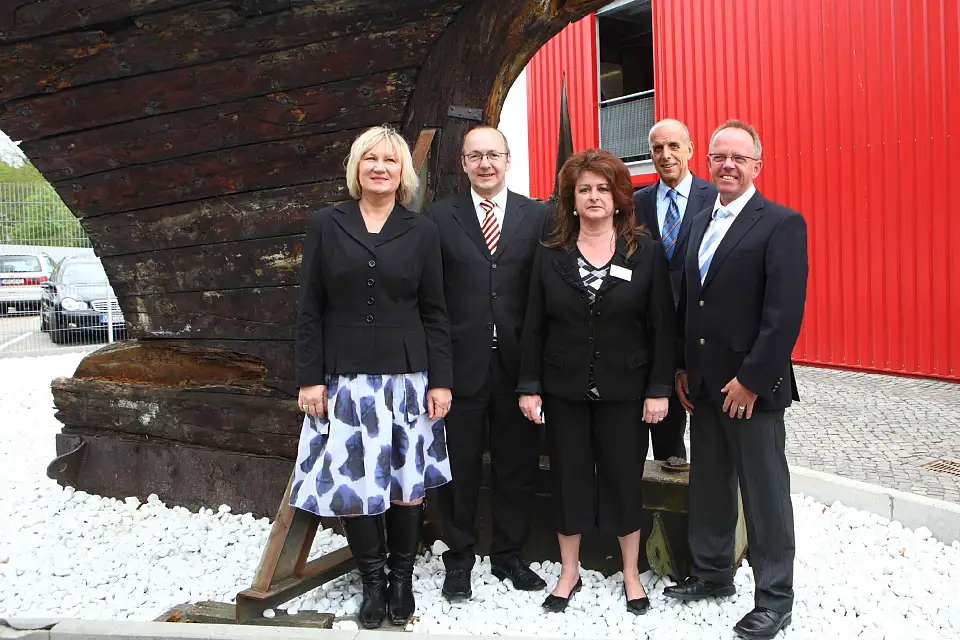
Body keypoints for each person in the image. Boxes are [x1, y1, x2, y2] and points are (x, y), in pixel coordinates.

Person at [292, 125, 454, 629]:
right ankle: (373, 581)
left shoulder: (422, 229)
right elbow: (309, 308)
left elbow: (435, 311)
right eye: (370, 160)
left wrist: (441, 380)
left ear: (403, 171)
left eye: (389, 160)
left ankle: (402, 580)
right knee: (353, 480)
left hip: (407, 378)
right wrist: (310, 379)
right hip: (347, 379)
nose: (380, 168)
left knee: (407, 481)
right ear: (356, 169)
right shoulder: (326, 223)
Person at [664, 120, 808, 640]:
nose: (727, 165)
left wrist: (751, 380)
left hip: (751, 389)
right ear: (707, 163)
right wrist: (683, 366)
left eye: (738, 158)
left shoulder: (781, 223)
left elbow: (784, 314)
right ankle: (711, 573)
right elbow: (690, 303)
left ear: (756, 166)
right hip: (703, 385)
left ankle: (775, 599)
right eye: (719, 156)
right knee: (710, 485)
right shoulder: (700, 220)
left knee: (765, 493)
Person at [516, 149, 675, 615]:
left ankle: (630, 573)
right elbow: (533, 325)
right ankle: (570, 573)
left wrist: (658, 389)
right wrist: (529, 385)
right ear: (570, 199)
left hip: (626, 393)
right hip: (563, 391)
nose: (593, 197)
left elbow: (661, 326)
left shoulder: (645, 252)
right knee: (568, 481)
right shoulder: (550, 256)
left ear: (620, 197)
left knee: (624, 479)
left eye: (603, 188)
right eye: (584, 189)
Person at [424, 125, 551, 600]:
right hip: (460, 366)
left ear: (508, 159)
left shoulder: (537, 216)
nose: (485, 164)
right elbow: (430, 299)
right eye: (475, 156)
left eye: (493, 155)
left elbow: (544, 294)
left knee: (516, 465)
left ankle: (509, 556)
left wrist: (538, 372)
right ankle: (458, 558)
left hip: (518, 366)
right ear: (463, 163)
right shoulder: (438, 218)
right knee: (459, 466)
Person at [633, 118, 718, 468]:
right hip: (650, 332)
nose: (665, 155)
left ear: (690, 150)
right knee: (656, 428)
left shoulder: (715, 198)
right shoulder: (636, 202)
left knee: (707, 433)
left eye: (673, 147)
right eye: (657, 149)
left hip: (699, 333)